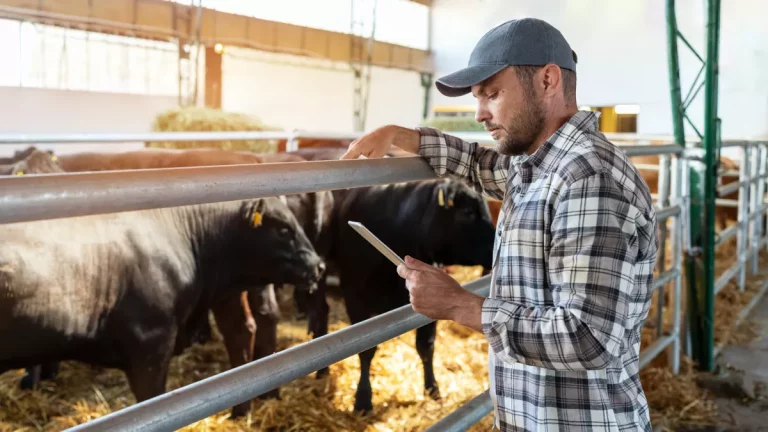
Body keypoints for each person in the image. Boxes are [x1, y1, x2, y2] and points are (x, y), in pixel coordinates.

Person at [341, 17, 658, 432]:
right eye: (477, 97)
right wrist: (405, 136)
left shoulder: (588, 179)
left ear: (547, 80)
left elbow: (588, 337)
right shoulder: (541, 164)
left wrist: (458, 304)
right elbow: (479, 165)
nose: (479, 113)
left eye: (491, 95)